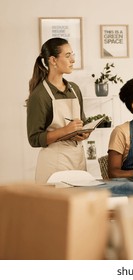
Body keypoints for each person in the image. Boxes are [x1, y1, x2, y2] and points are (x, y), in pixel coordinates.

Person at [27, 37, 89, 184]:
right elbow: (34, 139)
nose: (73, 60)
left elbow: (82, 121)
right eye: (68, 56)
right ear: (53, 60)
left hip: (78, 159)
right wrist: (66, 131)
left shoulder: (74, 89)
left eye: (72, 55)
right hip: (54, 164)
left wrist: (83, 132)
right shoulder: (39, 95)